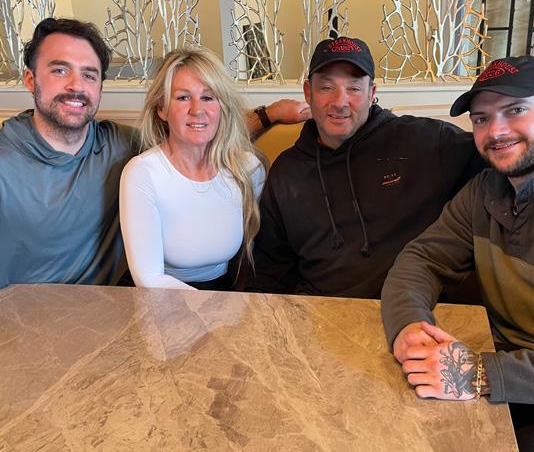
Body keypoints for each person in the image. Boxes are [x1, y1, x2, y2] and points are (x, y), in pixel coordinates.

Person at [0, 17, 309, 290]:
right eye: (60, 70)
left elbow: (199, 136)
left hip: (108, 305)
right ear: (30, 79)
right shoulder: (7, 160)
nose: (76, 86)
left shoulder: (120, 143)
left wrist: (269, 114)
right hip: (25, 314)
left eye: (89, 74)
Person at [381, 55, 534, 451]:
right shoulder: (485, 189)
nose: (497, 131)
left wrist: (481, 374)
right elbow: (422, 259)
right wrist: (409, 327)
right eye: (481, 118)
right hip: (503, 370)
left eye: (516, 110)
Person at [245, 36, 483, 298]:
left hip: (411, 308)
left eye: (354, 89)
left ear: (371, 93)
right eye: (326, 87)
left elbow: (501, 164)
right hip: (318, 310)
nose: (340, 102)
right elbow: (270, 268)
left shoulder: (426, 142)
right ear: (308, 92)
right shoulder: (287, 171)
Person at [119, 48, 265, 290]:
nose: (197, 110)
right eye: (183, 97)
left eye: (208, 97)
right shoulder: (142, 173)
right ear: (162, 109)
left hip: (224, 293)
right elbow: (148, 279)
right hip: (159, 296)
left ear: (222, 107)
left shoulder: (248, 169)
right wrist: (212, 310)